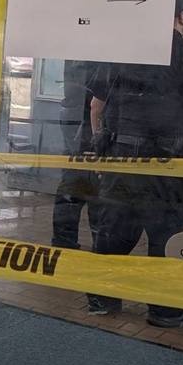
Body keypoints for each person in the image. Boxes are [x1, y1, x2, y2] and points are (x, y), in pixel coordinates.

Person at [87, 0, 183, 327]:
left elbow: (96, 107)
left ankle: (102, 298)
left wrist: (103, 148)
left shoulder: (122, 54)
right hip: (174, 167)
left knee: (115, 228)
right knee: (169, 234)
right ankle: (165, 312)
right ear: (182, 17)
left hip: (122, 161)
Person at [51, 61, 100, 250]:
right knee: (93, 189)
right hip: (84, 120)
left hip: (77, 116)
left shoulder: (78, 54)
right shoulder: (94, 58)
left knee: (73, 188)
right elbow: (96, 103)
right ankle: (100, 248)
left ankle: (64, 244)